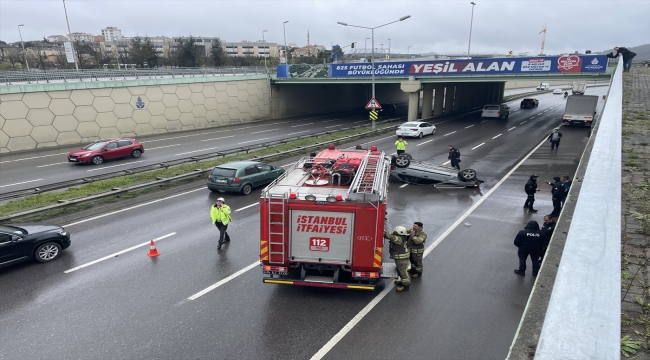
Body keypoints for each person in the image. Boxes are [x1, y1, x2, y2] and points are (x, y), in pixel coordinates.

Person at [383, 226, 412, 292]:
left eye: (395, 231)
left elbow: (390, 236)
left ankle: (406, 286)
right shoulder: (402, 237)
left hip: (402, 260)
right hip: (401, 259)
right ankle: (402, 281)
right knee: (400, 271)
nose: (394, 232)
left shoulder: (399, 239)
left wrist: (383, 233)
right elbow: (391, 234)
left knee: (403, 273)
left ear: (399, 233)